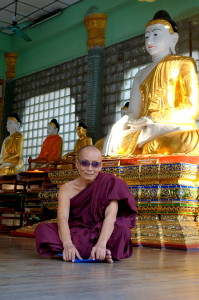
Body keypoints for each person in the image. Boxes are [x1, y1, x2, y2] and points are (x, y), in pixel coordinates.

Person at [102, 10, 199, 156]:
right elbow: (134, 113)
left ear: (173, 39)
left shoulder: (183, 63)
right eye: (146, 36)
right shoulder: (140, 74)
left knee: (186, 140)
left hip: (171, 127)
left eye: (156, 35)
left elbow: (192, 109)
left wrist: (153, 118)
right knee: (102, 145)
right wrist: (119, 125)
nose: (149, 41)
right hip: (142, 130)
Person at [35, 145, 137, 263]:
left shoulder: (109, 183)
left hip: (100, 232)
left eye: (95, 164)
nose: (90, 168)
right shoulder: (66, 189)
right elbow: (62, 219)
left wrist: (101, 244)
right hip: (76, 232)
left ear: (101, 166)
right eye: (85, 163)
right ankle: (97, 254)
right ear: (77, 164)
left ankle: (84, 252)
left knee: (124, 232)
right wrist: (68, 244)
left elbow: (111, 216)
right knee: (42, 229)